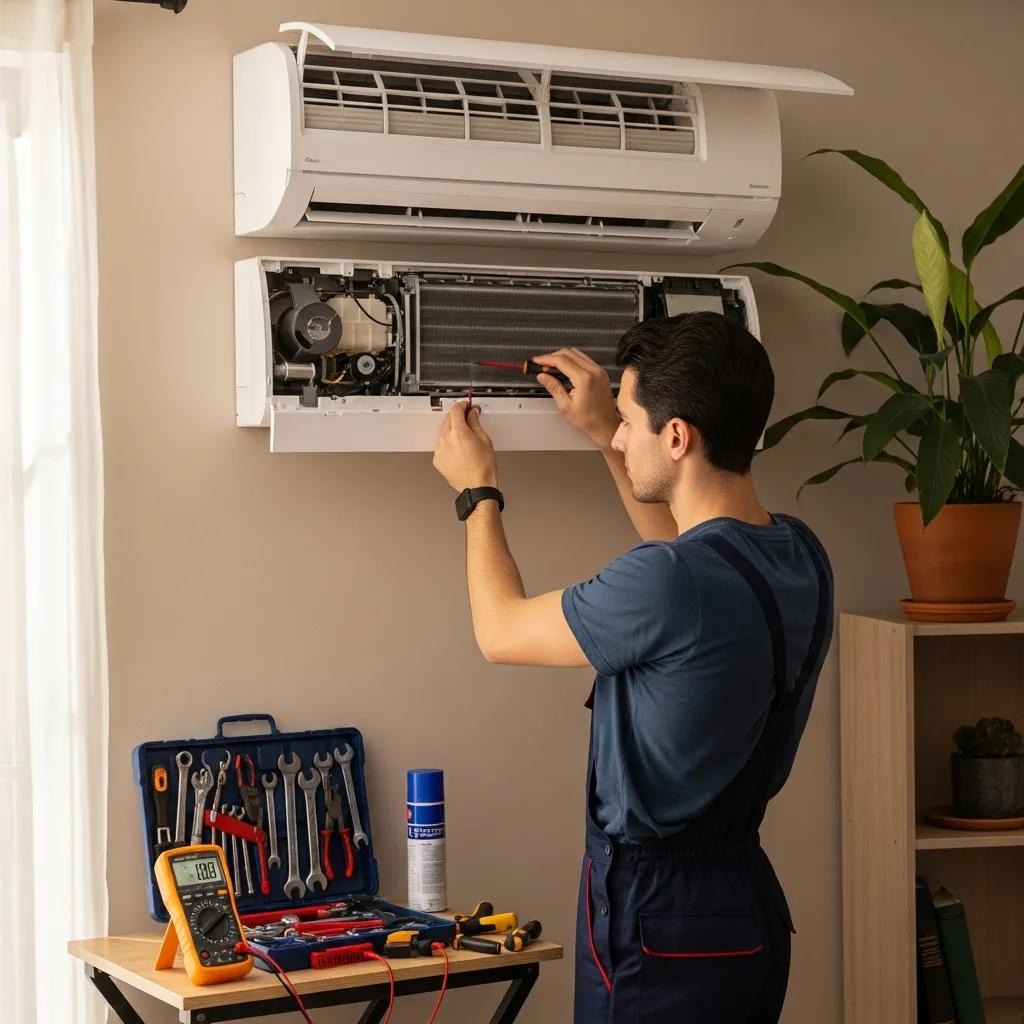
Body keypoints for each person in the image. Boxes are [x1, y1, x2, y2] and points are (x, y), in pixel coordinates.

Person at [431, 311, 834, 1023]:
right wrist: (601, 433)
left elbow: (500, 631)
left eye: (627, 422)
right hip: (747, 907)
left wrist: (477, 492)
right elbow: (693, 556)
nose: (620, 436)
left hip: (658, 917)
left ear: (676, 437)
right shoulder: (800, 554)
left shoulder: (670, 580)